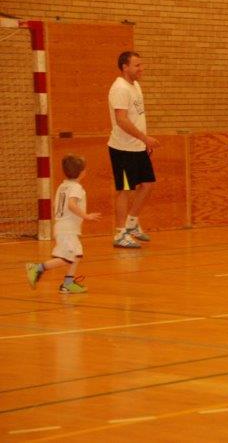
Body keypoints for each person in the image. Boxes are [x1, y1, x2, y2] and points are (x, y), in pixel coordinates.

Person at [25, 154, 101, 293]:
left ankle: (68, 283)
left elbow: (55, 205)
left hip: (63, 227)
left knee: (77, 254)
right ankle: (37, 268)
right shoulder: (76, 188)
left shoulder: (62, 186)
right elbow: (71, 204)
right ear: (82, 172)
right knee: (67, 258)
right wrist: (86, 216)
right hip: (67, 229)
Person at [108, 51, 159, 248]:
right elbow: (121, 120)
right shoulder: (120, 88)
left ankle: (131, 223)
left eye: (141, 64)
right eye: (137, 65)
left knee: (147, 184)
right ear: (125, 67)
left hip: (137, 146)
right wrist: (144, 138)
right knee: (125, 189)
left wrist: (143, 143)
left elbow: (136, 117)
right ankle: (120, 234)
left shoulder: (135, 85)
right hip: (123, 149)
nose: (141, 69)